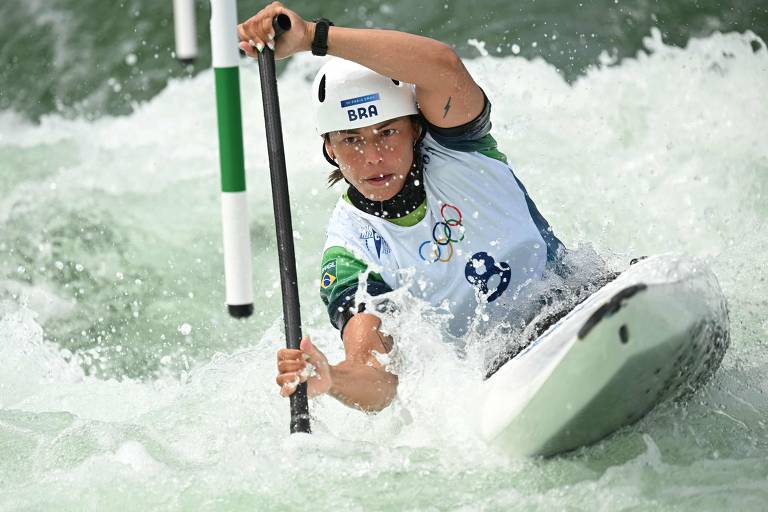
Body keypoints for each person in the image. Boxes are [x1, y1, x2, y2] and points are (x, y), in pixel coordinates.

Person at [238, 2, 564, 412]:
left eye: (386, 132)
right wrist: (332, 377)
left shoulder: (459, 146)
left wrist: (314, 38)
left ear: (415, 127)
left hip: (573, 302)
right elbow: (379, 378)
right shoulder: (350, 253)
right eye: (351, 140)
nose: (373, 156)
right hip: (498, 379)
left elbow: (442, 65)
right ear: (329, 149)